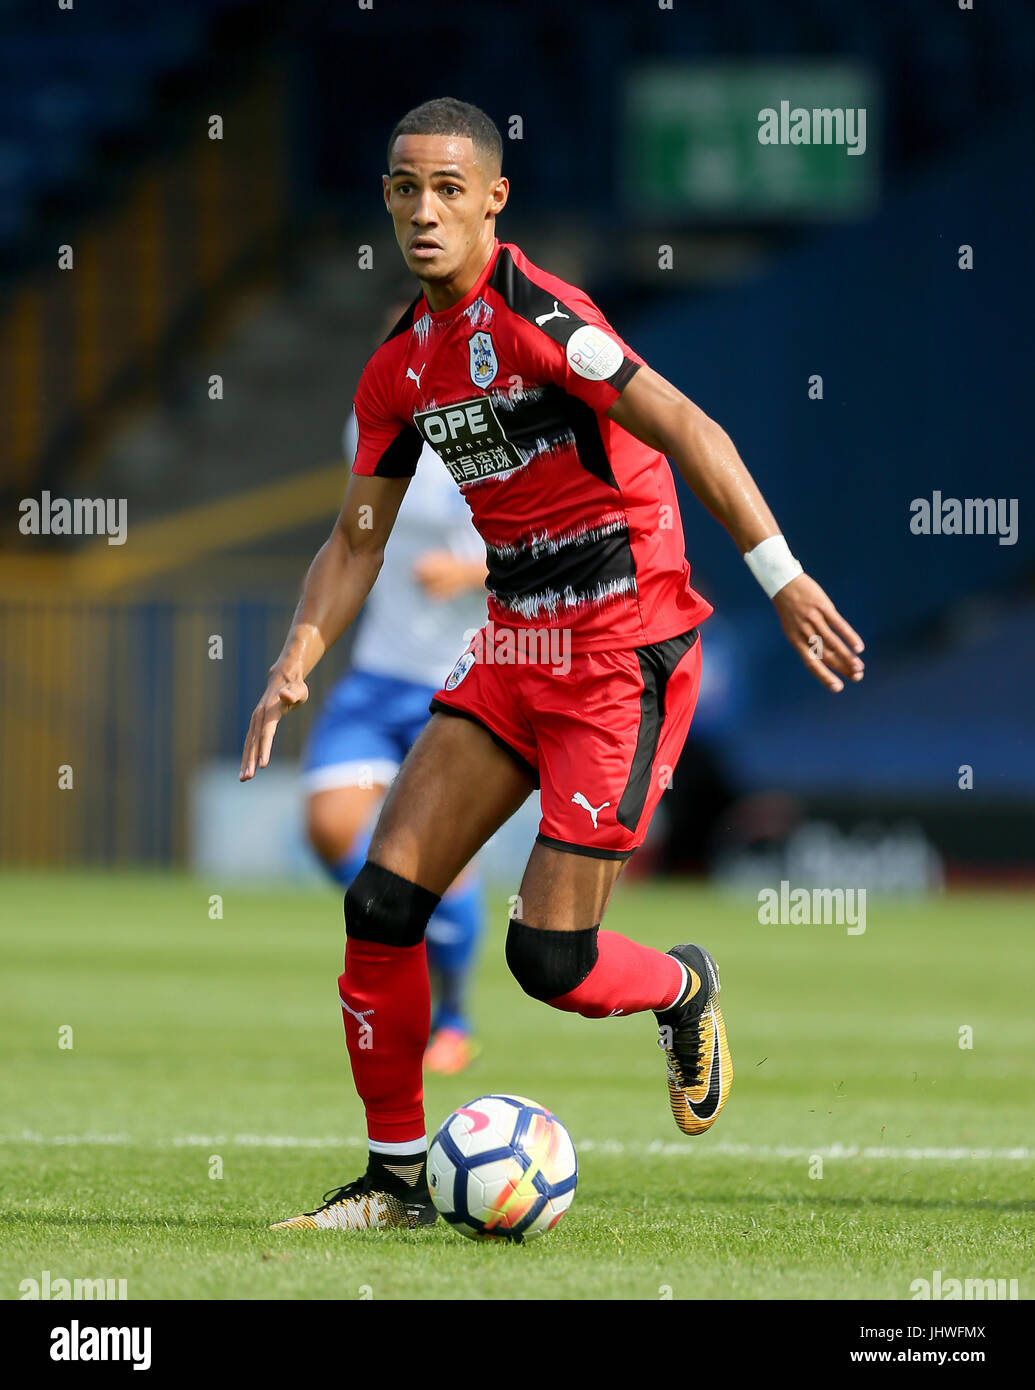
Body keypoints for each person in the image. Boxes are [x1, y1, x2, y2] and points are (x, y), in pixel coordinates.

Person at [240, 98, 865, 1233]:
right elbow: (356, 538)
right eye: (402, 188)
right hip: (516, 646)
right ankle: (392, 1185)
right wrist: (298, 652)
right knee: (382, 898)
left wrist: (781, 576)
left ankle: (682, 986)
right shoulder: (401, 365)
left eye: (446, 189)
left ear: (493, 201)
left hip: (622, 654)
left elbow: (689, 425)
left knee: (551, 957)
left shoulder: (541, 318)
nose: (423, 210)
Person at [302, 320, 488, 1073]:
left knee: (435, 856)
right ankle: (409, 922)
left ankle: (452, 1015)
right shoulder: (371, 421)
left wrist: (472, 571)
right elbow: (359, 533)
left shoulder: (502, 432)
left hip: (465, 677)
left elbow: (553, 545)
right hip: (380, 671)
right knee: (326, 828)